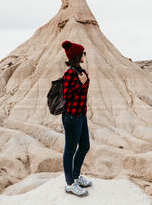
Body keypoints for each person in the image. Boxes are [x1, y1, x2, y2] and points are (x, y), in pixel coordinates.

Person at [61, 40, 92, 197]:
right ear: (77, 56)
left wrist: (83, 82)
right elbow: (67, 95)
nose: (84, 55)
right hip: (71, 117)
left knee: (85, 145)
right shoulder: (69, 74)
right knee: (70, 150)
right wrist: (81, 84)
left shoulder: (80, 71)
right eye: (83, 53)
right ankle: (70, 183)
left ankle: (76, 175)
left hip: (81, 115)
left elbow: (85, 86)